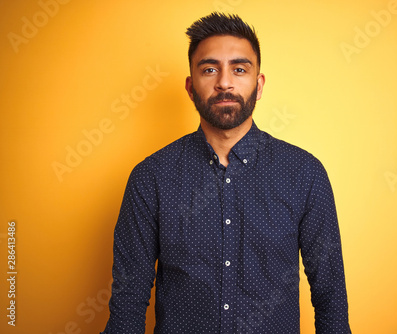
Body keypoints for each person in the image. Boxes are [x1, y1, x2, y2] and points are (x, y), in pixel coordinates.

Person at [101, 12, 351, 334]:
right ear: (191, 88)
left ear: (258, 85)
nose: (224, 82)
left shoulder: (304, 174)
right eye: (209, 69)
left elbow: (330, 294)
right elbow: (128, 299)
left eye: (239, 69)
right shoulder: (151, 178)